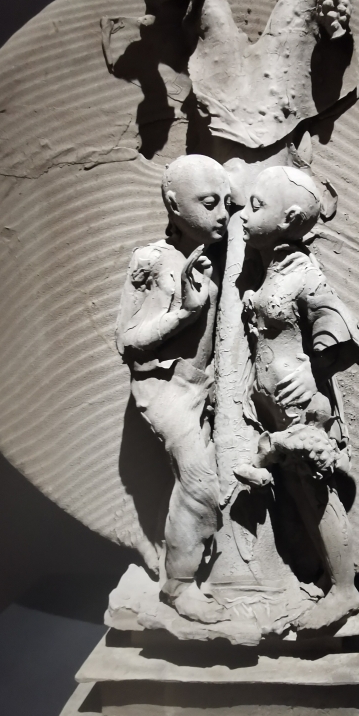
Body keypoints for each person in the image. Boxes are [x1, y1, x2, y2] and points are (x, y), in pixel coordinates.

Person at [235, 166, 359, 629]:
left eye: (256, 206)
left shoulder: (304, 273)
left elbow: (345, 333)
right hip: (274, 407)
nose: (244, 214)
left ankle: (344, 589)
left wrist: (314, 373)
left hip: (300, 409)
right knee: (299, 497)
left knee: (315, 495)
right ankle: (314, 575)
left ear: (290, 219)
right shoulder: (275, 268)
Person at [116, 153, 231, 623]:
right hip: (164, 390)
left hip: (202, 387)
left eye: (227, 203)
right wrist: (184, 314)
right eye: (209, 202)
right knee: (201, 486)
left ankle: (189, 567)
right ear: (173, 203)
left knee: (201, 483)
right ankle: (178, 587)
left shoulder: (209, 259)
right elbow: (127, 342)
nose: (222, 214)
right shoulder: (151, 260)